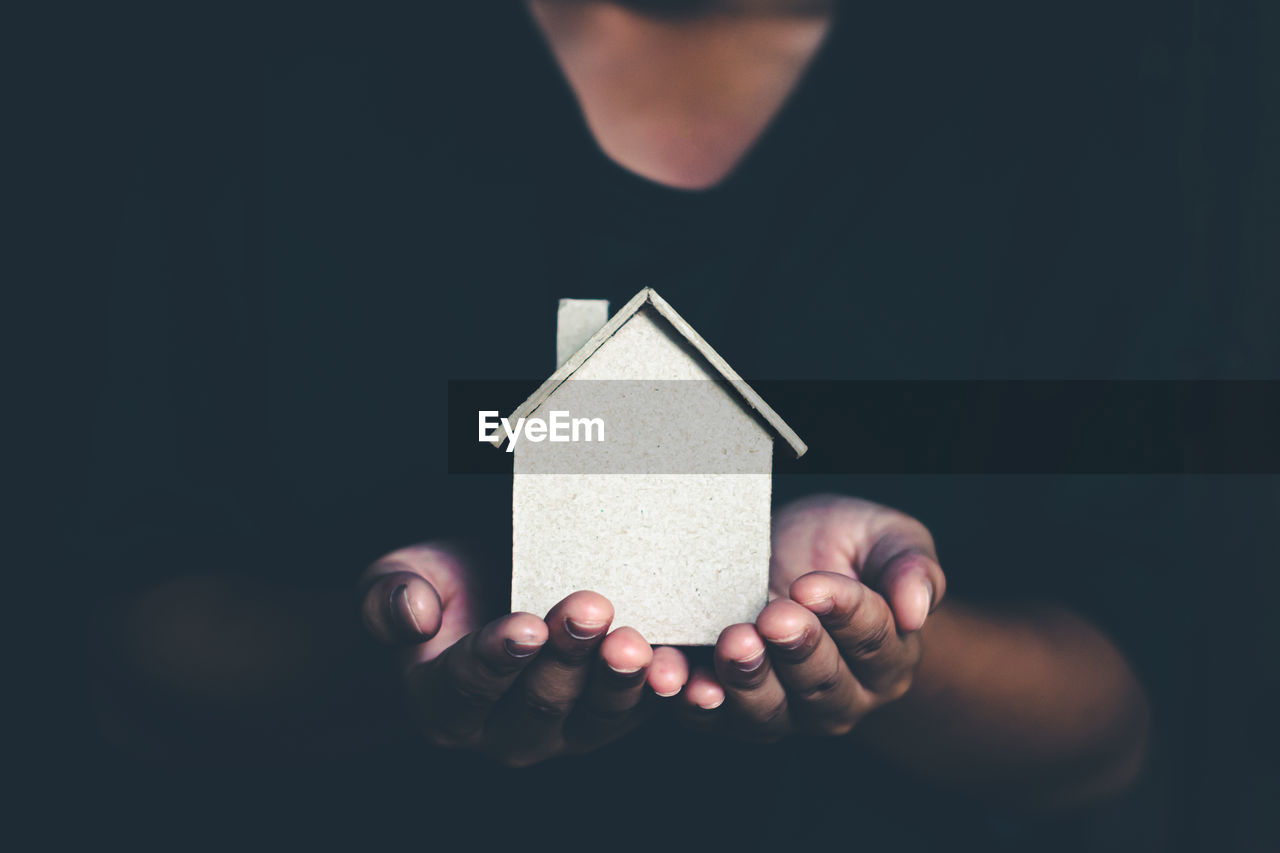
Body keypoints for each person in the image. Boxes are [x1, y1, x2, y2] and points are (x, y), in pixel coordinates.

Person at [84, 0, 1248, 846]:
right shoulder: (242, 63)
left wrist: (893, 652)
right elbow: (102, 655)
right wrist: (396, 645)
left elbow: (1120, 726)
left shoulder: (1069, 88)